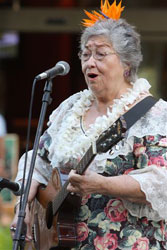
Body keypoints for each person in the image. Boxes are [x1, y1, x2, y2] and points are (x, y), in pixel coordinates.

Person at [11, 0, 167, 249]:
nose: (89, 62)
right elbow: (36, 161)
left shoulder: (154, 115)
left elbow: (162, 181)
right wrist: (24, 208)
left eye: (101, 54)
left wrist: (102, 185)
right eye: (85, 54)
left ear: (127, 64)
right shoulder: (70, 108)